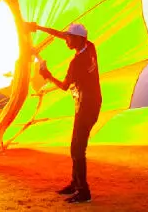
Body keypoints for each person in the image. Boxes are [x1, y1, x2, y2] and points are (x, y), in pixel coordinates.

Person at [27, 22, 102, 204]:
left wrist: (48, 75)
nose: (66, 40)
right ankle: (76, 184)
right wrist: (39, 28)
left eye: (70, 37)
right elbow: (61, 35)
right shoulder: (90, 47)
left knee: (77, 148)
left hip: (86, 106)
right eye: (67, 36)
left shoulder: (76, 63)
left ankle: (83, 192)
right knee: (76, 146)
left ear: (79, 39)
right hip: (91, 103)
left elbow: (64, 86)